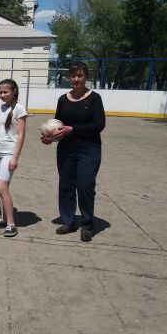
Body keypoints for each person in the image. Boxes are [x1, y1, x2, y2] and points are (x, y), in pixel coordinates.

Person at [41, 62, 105, 242]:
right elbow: (58, 124)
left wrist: (73, 129)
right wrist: (50, 137)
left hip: (89, 149)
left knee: (85, 185)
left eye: (80, 75)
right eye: (73, 76)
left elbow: (99, 124)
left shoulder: (94, 98)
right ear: (69, 77)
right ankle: (68, 221)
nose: (76, 79)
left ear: (86, 77)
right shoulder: (63, 99)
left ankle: (87, 224)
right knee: (66, 185)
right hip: (66, 150)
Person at [0, 79, 28, 237]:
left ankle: (11, 224)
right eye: (0, 92)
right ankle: (3, 220)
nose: (3, 95)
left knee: (2, 187)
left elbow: (21, 135)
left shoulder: (20, 108)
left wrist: (15, 157)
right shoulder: (0, 108)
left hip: (9, 153)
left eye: (5, 92)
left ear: (14, 91)